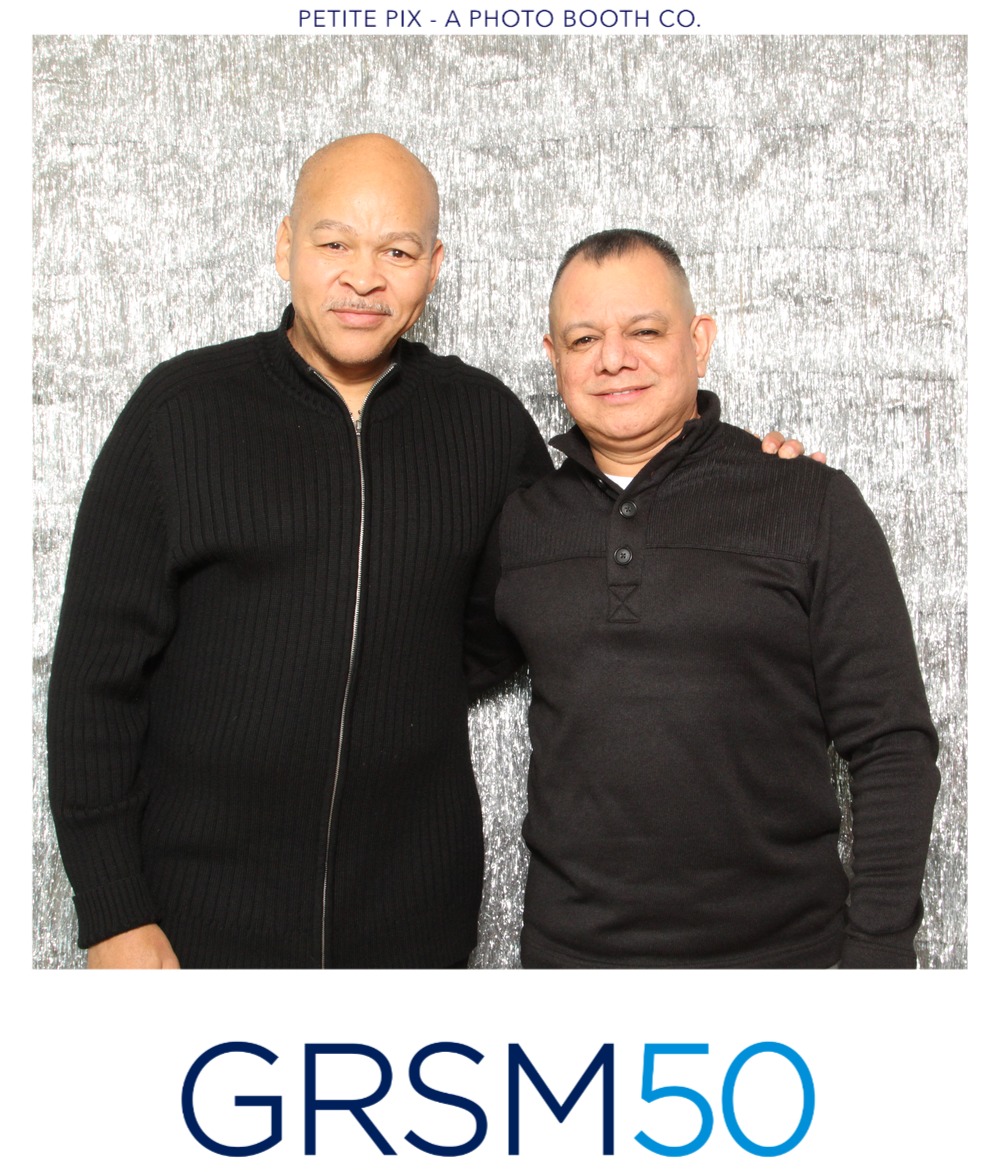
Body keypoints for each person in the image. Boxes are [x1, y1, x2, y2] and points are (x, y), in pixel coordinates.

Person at [47, 141, 807, 969]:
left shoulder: (484, 423)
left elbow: (583, 553)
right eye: (334, 243)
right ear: (285, 246)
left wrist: (737, 475)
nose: (363, 277)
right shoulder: (179, 413)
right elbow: (93, 680)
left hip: (413, 924)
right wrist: (114, 910)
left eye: (398, 252)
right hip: (188, 926)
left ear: (434, 267)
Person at [466, 229, 940, 969]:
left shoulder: (808, 501)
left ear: (699, 341)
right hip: (572, 965)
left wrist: (878, 953)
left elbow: (891, 744)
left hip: (787, 964)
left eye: (644, 331)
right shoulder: (521, 524)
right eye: (584, 339)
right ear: (553, 357)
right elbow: (425, 673)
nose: (613, 359)